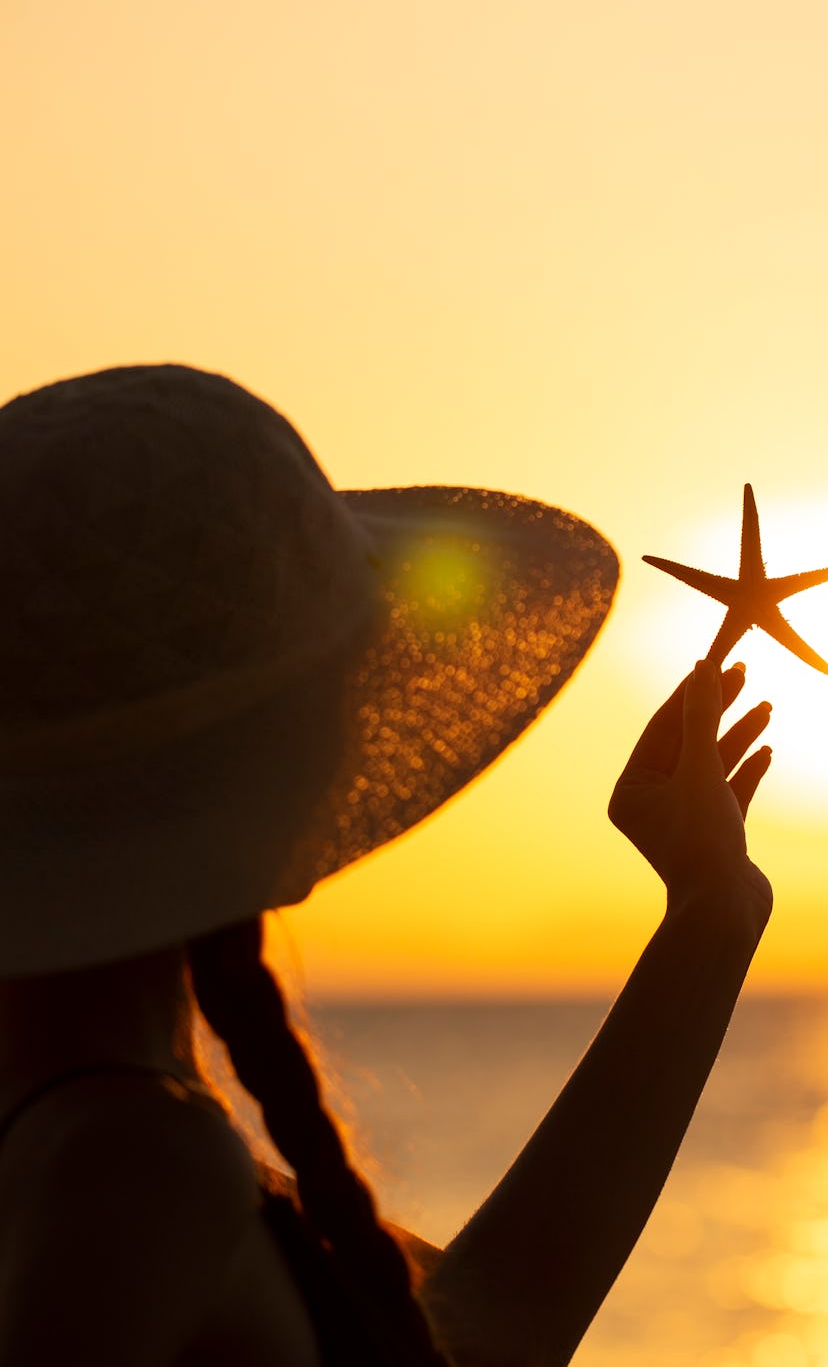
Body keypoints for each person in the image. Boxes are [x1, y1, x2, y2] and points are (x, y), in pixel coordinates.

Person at [0, 364, 773, 1367]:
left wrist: (711, 913)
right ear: (280, 775)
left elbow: (478, 1327)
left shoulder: (112, 1129)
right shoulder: (141, 1165)